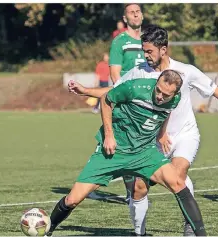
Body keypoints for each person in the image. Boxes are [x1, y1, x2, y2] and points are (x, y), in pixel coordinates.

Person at [68, 24, 218, 236]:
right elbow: (114, 91)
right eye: (144, 51)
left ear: (163, 49)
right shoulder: (139, 72)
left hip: (184, 135)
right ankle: (138, 231)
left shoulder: (186, 71)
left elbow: (216, 91)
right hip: (152, 139)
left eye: (149, 51)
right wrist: (86, 91)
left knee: (178, 173)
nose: (145, 55)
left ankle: (190, 227)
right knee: (138, 188)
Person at [47, 70, 208, 236]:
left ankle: (201, 235)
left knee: (178, 183)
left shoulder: (174, 100)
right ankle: (48, 228)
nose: (160, 96)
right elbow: (106, 99)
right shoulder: (135, 88)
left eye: (166, 94)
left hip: (144, 153)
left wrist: (161, 134)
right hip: (112, 151)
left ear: (175, 93)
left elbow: (165, 114)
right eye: (158, 90)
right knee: (73, 199)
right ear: (157, 81)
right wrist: (109, 136)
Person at [109, 3, 146, 203]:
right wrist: (125, 95)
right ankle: (131, 192)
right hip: (128, 102)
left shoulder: (149, 39)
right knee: (128, 145)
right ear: (125, 18)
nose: (135, 14)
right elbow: (115, 73)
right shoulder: (119, 41)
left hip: (149, 101)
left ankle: (141, 187)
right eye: (131, 12)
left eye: (138, 11)